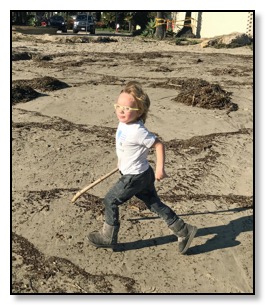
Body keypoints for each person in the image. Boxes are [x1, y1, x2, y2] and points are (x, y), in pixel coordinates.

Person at [88, 81, 197, 254]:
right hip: (142, 173)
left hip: (135, 177)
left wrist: (160, 168)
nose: (121, 111)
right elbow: (124, 146)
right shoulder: (124, 123)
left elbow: (159, 145)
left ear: (139, 111)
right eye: (118, 106)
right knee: (154, 204)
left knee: (110, 200)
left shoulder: (138, 131)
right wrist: (121, 162)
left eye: (127, 108)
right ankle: (184, 230)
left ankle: (108, 237)